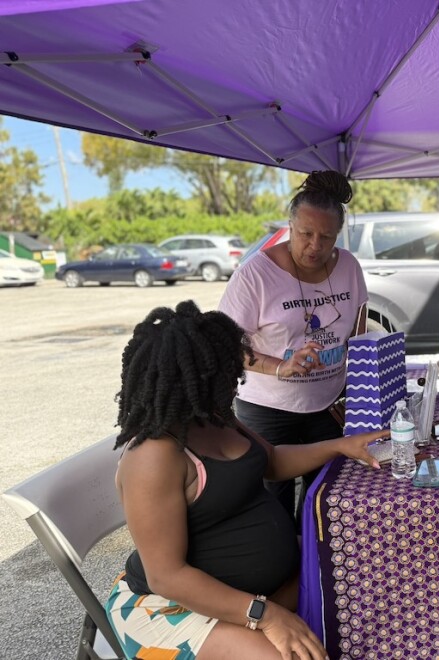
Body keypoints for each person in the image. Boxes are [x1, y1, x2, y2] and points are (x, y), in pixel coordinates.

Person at [105, 301, 388, 660]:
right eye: (224, 374)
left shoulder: (215, 416)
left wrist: (340, 446)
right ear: (187, 378)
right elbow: (167, 577)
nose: (236, 381)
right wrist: (265, 616)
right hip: (171, 608)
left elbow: (271, 461)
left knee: (366, 577)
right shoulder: (155, 456)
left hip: (254, 593)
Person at [218, 170, 368, 521]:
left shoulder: (349, 267)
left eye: (327, 237)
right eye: (305, 234)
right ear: (289, 226)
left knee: (324, 503)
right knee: (273, 507)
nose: (315, 245)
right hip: (269, 410)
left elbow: (358, 328)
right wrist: (279, 365)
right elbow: (224, 344)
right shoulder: (255, 274)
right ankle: (285, 573)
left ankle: (314, 569)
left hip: (328, 406)